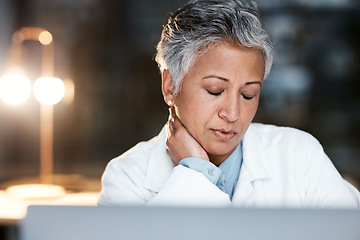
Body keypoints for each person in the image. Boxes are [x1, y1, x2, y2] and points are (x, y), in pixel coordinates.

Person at [98, 0, 360, 208]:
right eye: (215, 91)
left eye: (248, 94)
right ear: (170, 85)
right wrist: (195, 174)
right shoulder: (126, 179)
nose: (233, 114)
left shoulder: (300, 156)